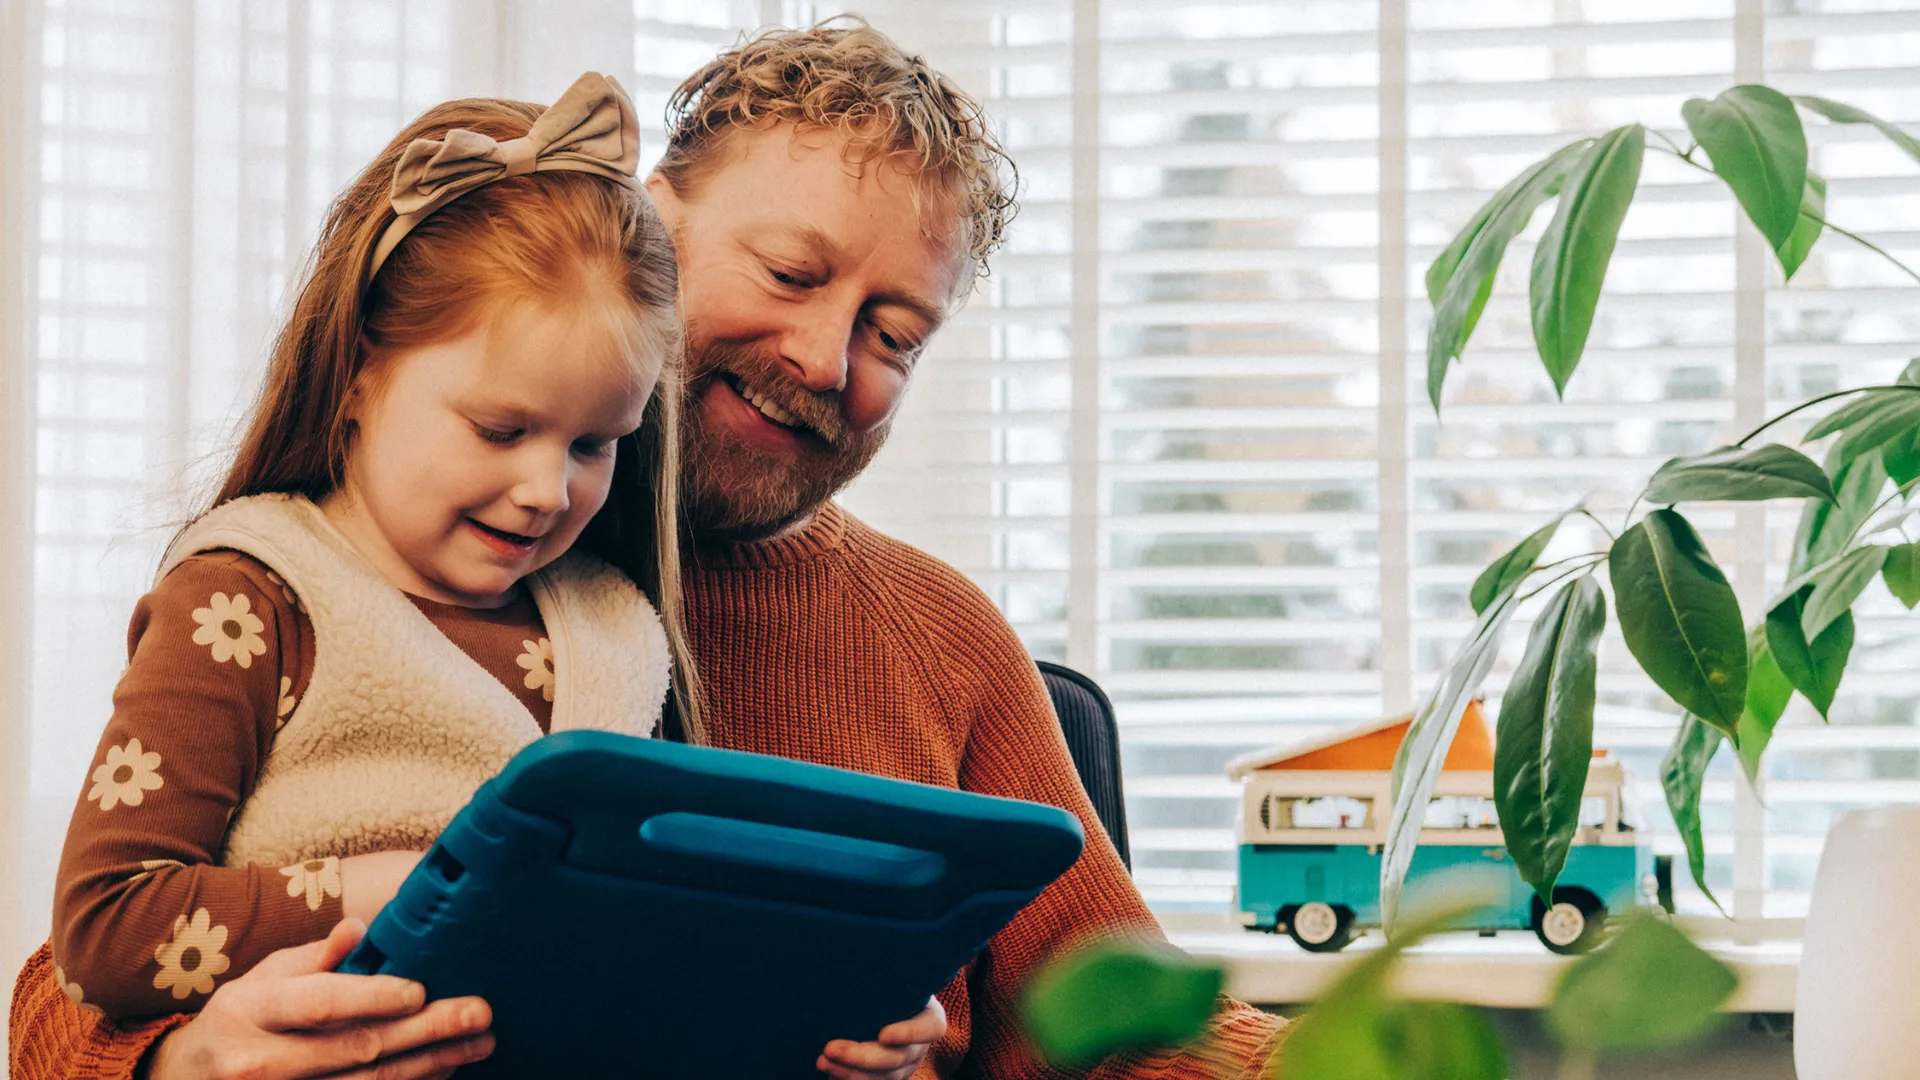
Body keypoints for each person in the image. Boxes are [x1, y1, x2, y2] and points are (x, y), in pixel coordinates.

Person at [11, 20, 1288, 1080]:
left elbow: (1146, 1032)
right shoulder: (318, 587)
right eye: (791, 272)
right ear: (646, 223)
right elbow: (76, 978)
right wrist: (177, 1064)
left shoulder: (915, 637)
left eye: (896, 334)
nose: (823, 360)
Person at [12, 71, 940, 1080]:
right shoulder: (251, 599)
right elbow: (103, 931)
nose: (546, 489)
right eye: (502, 429)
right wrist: (391, 892)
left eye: (595, 444)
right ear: (361, 369)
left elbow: (659, 946)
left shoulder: (621, 629)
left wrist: (834, 1009)